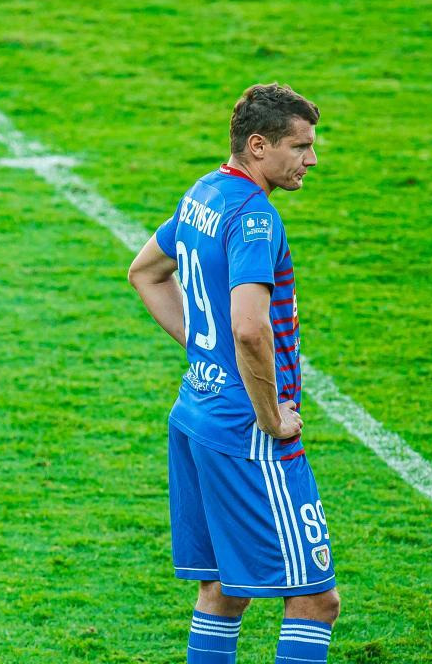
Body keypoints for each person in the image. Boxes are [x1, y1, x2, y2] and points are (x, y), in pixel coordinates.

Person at [128, 83, 339, 664]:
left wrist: (206, 351)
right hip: (245, 432)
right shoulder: (255, 217)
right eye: (300, 147)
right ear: (258, 146)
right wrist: (272, 418)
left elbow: (145, 272)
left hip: (195, 414)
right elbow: (249, 329)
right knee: (315, 601)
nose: (311, 160)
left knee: (222, 590)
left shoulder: (205, 191)